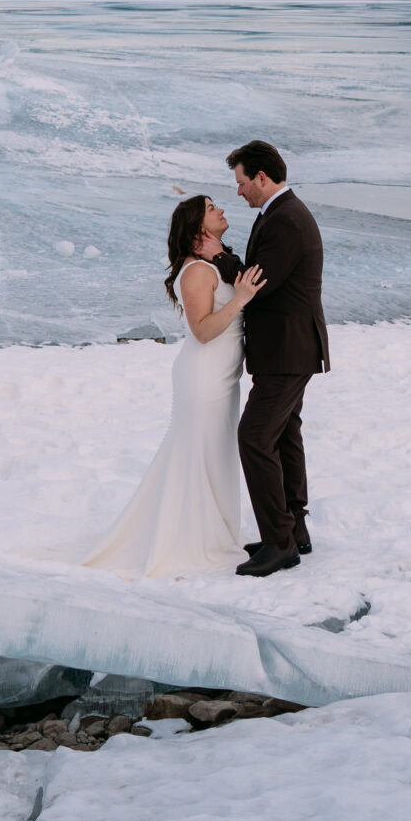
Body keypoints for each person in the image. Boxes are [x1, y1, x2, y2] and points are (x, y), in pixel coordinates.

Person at [82, 194, 262, 578]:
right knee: (198, 455)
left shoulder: (208, 265)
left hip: (220, 376)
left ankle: (210, 532)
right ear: (198, 227)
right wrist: (242, 298)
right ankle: (193, 540)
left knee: (213, 456)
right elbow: (202, 330)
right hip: (204, 376)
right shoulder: (197, 271)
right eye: (213, 208)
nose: (222, 210)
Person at [226, 139, 327, 578]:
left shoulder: (286, 219)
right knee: (284, 434)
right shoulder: (279, 213)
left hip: (289, 350)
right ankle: (294, 530)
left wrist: (218, 257)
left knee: (254, 437)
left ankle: (279, 542)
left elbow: (257, 284)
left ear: (262, 177)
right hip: (288, 348)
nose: (239, 191)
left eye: (242, 181)